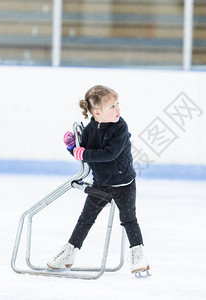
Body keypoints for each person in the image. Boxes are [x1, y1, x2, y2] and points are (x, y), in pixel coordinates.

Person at [47, 85, 150, 275]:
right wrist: (72, 147)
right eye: (112, 106)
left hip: (123, 184)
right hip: (100, 184)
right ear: (97, 112)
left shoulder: (120, 127)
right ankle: (70, 250)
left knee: (128, 219)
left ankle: (138, 252)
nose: (118, 109)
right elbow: (84, 154)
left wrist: (83, 152)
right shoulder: (90, 130)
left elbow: (109, 154)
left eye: (118, 104)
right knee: (85, 219)